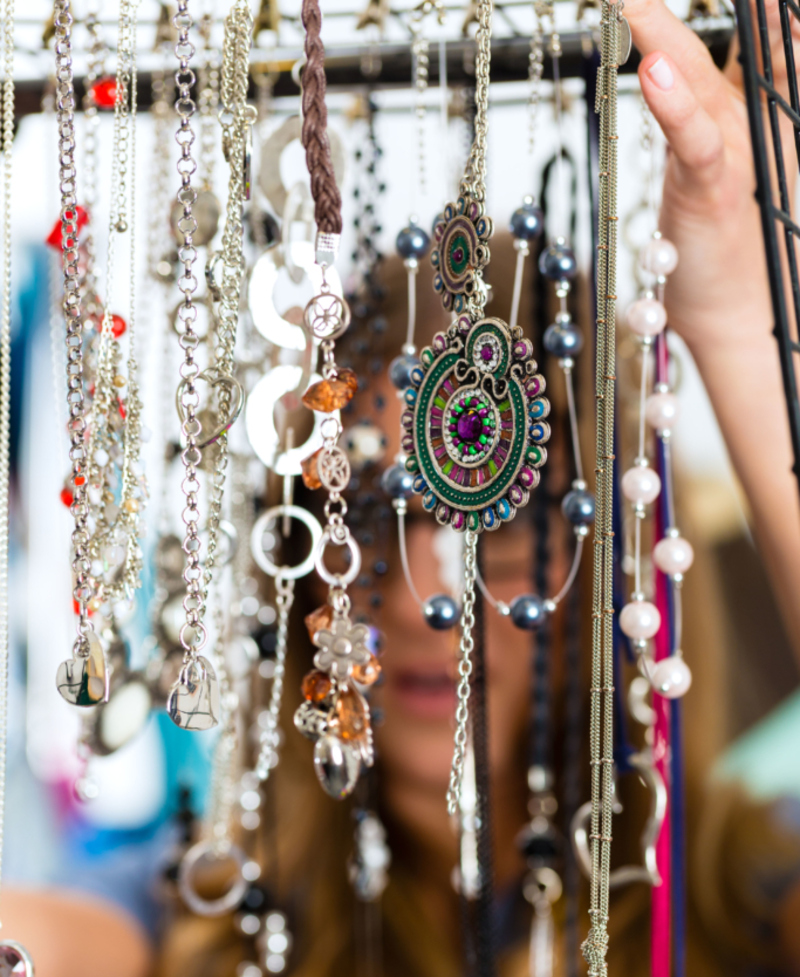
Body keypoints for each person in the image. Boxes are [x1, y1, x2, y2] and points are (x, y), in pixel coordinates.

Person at [6, 1, 800, 974]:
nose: (433, 596)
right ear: (301, 565)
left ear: (608, 561)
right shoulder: (203, 906)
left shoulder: (756, 895)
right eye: (371, 513)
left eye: (496, 508)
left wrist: (733, 325)